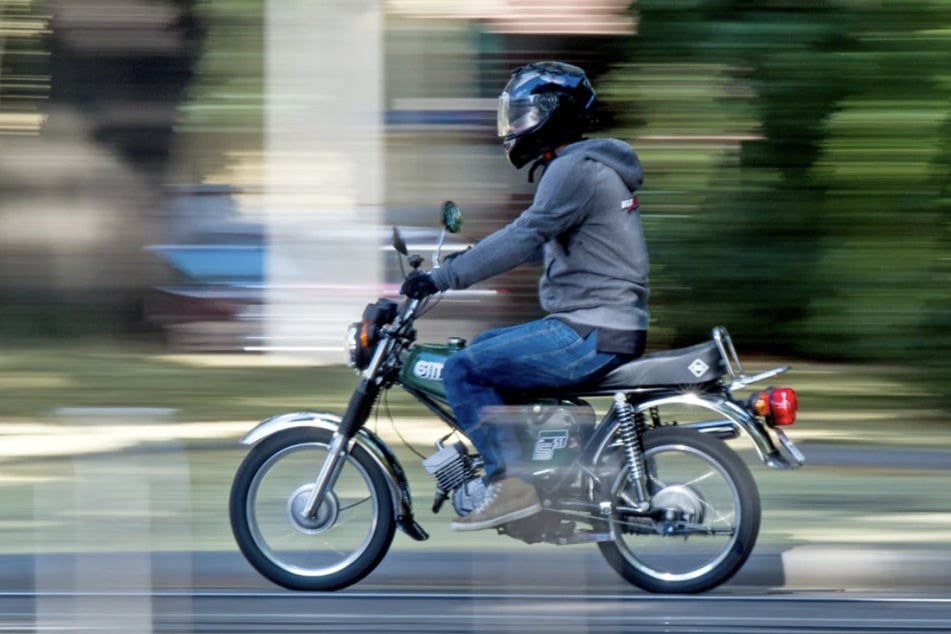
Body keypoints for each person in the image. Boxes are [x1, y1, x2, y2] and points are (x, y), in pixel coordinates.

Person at [400, 61, 649, 532]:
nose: (514, 127)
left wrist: (443, 278)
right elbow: (530, 237)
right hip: (602, 322)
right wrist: (470, 259)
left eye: (523, 114)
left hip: (591, 329)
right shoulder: (588, 167)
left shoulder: (573, 168)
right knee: (487, 346)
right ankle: (543, 478)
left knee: (462, 368)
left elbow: (525, 236)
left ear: (553, 114)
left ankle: (512, 485)